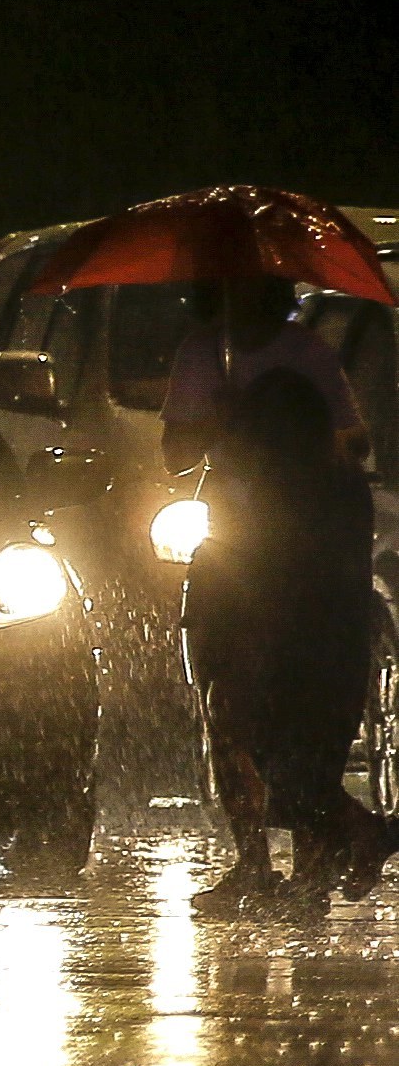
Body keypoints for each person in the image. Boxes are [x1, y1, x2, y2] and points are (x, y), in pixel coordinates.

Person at [161, 275, 369, 908]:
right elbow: (174, 453)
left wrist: (285, 440)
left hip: (304, 567)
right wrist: (218, 425)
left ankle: (318, 860)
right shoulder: (203, 354)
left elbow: (351, 442)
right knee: (229, 708)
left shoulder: (306, 356)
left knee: (306, 720)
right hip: (235, 551)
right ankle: (257, 858)